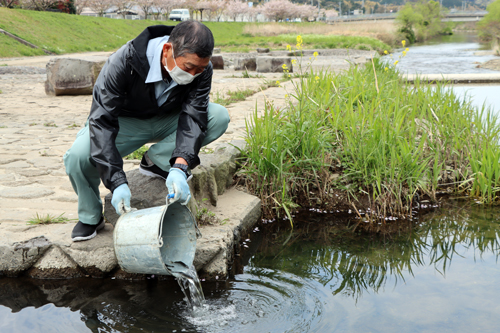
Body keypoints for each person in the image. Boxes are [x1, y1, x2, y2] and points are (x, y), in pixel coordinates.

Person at [63, 21, 230, 242]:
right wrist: (117, 181)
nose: (193, 74)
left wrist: (180, 166)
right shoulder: (122, 62)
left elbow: (194, 115)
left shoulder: (201, 69)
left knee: (217, 116)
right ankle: (91, 216)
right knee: (77, 157)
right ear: (168, 50)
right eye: (188, 67)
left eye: (199, 69)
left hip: (169, 118)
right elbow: (102, 122)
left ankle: (157, 161)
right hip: (126, 121)